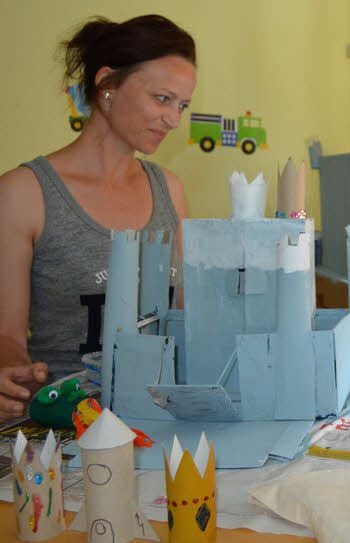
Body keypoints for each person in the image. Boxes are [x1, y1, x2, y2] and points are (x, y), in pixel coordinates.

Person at [0, 14, 196, 421]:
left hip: (156, 416)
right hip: (63, 423)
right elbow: (7, 335)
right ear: (107, 85)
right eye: (162, 99)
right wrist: (11, 371)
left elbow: (184, 314)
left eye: (182, 105)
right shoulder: (24, 193)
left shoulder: (170, 190)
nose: (174, 120)